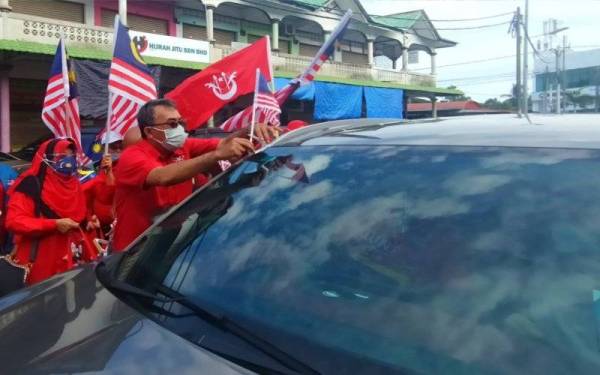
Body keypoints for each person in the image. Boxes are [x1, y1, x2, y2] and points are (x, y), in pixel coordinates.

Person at [112, 98, 278, 251]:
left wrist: (248, 130)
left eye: (179, 123)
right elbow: (163, 176)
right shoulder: (132, 157)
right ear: (149, 131)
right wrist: (216, 155)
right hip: (134, 248)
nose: (178, 129)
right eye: (171, 124)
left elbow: (223, 144)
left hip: (171, 238)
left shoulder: (183, 146)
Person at [5, 138, 98, 285]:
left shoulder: (74, 183)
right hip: (41, 263)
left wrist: (89, 222)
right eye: (61, 157)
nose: (68, 161)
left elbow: (79, 215)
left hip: (74, 259)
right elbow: (14, 221)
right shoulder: (31, 184)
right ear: (45, 158)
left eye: (71, 156)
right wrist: (53, 224)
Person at [82, 131, 122, 235]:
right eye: (113, 147)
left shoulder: (125, 167)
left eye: (120, 147)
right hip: (95, 226)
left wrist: (109, 172)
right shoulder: (90, 168)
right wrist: (88, 218)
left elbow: (112, 193)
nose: (118, 150)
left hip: (118, 224)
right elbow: (84, 195)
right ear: (104, 148)